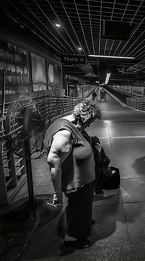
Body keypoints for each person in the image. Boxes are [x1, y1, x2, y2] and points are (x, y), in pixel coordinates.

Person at [44, 99, 99, 250]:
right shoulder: (65, 133)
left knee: (82, 207)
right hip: (76, 182)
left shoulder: (73, 123)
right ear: (83, 118)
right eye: (90, 122)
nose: (90, 125)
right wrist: (57, 194)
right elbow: (53, 162)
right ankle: (74, 237)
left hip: (83, 180)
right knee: (77, 207)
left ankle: (83, 222)